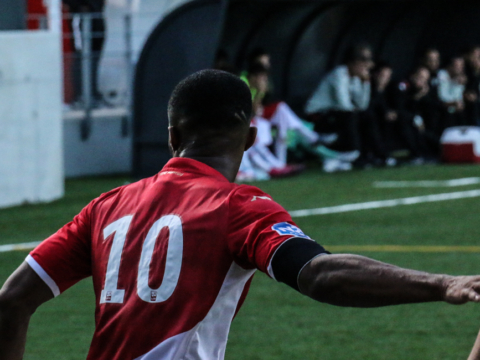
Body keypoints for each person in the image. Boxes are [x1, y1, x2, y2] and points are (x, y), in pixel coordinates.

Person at [3, 70, 480, 360]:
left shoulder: (104, 206)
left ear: (172, 137)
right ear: (251, 139)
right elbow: (319, 275)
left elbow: (11, 300)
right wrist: (442, 284)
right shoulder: (236, 206)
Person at [304, 43, 373, 163]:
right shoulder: (339, 73)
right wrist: (354, 110)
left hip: (335, 114)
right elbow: (342, 103)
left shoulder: (355, 78)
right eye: (361, 64)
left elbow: (363, 105)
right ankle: (352, 151)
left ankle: (368, 154)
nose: (364, 68)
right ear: (352, 63)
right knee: (350, 116)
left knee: (367, 115)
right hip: (316, 115)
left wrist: (366, 83)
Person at [394, 66, 441, 159]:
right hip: (407, 119)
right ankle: (416, 153)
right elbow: (402, 107)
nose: (422, 81)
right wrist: (418, 97)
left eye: (425, 79)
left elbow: (432, 108)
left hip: (424, 123)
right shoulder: (404, 86)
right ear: (413, 76)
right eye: (420, 77)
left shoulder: (429, 91)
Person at [437, 55, 468, 129]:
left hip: (455, 114)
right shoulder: (441, 75)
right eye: (457, 66)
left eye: (462, 66)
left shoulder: (460, 78)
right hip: (441, 113)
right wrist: (454, 103)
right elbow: (442, 99)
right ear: (450, 66)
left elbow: (458, 99)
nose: (460, 69)